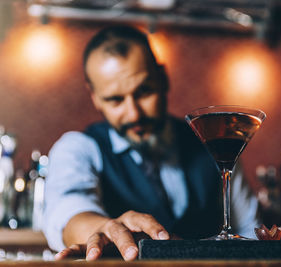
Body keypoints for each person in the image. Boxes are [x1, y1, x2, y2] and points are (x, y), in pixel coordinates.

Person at [42, 25, 260, 261]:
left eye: (144, 92)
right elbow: (66, 212)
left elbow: (249, 232)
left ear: (163, 79)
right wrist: (108, 230)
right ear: (95, 97)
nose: (133, 113)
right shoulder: (79, 148)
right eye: (115, 100)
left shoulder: (212, 143)